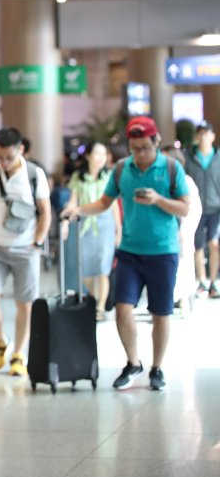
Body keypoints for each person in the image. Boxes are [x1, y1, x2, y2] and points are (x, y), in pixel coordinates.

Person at [63, 116, 189, 391]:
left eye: (145, 147)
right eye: (135, 149)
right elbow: (104, 202)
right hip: (131, 251)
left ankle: (157, 368)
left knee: (161, 312)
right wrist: (79, 210)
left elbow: (185, 208)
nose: (140, 154)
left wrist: (158, 200)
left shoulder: (170, 168)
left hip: (162, 251)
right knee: (122, 308)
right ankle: (133, 363)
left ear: (156, 142)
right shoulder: (122, 169)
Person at [0, 128, 51, 376]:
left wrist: (36, 243)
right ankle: (1, 340)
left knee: (24, 305)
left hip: (26, 249)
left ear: (21, 150)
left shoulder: (34, 174)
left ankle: (18, 354)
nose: (3, 162)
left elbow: (45, 212)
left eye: (8, 157)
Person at [62, 142, 121, 321]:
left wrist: (118, 229)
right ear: (88, 156)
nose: (101, 158)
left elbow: (114, 207)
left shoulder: (109, 177)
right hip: (85, 226)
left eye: (104, 155)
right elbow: (73, 201)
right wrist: (66, 221)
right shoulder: (78, 177)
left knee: (103, 269)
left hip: (105, 226)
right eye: (97, 154)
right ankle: (95, 298)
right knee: (86, 269)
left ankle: (100, 308)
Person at [163, 146, 202, 317]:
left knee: (184, 264)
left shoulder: (185, 181)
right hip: (168, 231)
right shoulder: (163, 180)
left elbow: (194, 209)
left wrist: (185, 227)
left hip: (183, 229)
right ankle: (173, 300)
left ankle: (185, 299)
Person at [183, 122, 220, 298]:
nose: (204, 137)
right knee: (197, 246)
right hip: (196, 209)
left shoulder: (218, 157)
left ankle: (213, 281)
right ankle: (202, 282)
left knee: (214, 244)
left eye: (207, 133)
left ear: (213, 136)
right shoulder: (189, 157)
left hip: (215, 207)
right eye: (201, 133)